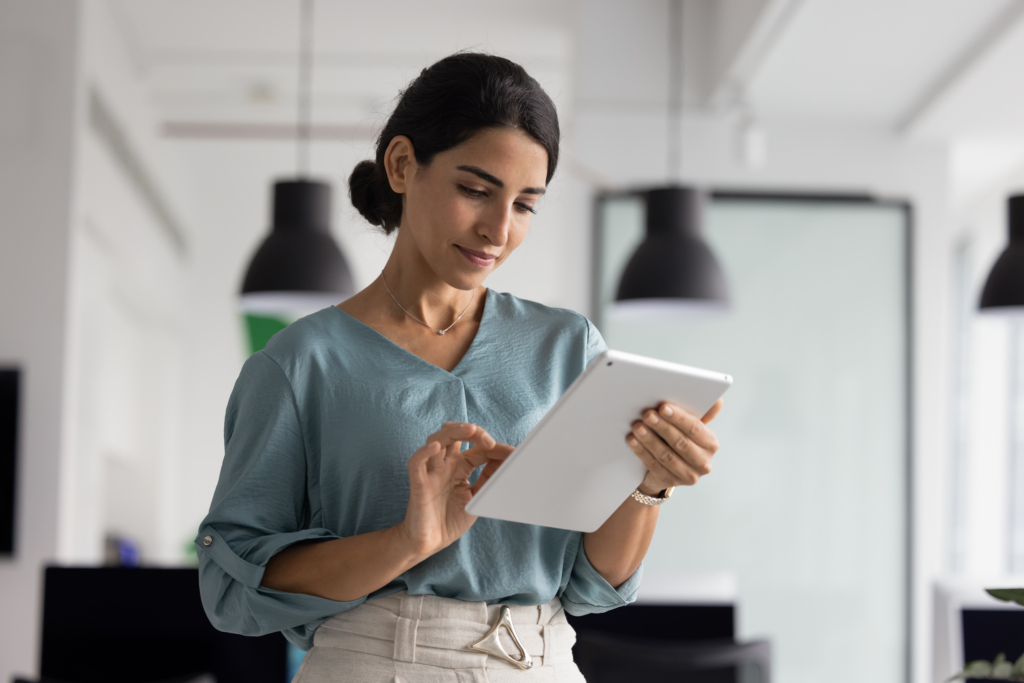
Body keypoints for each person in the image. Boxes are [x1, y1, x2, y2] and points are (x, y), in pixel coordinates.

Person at [196, 52, 723, 682]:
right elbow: (232, 588)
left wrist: (649, 484)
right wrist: (405, 542)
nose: (498, 230)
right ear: (401, 165)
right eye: (476, 190)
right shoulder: (299, 364)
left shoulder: (567, 347)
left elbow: (591, 585)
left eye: (526, 204)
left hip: (542, 663)